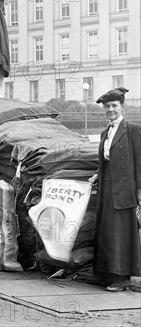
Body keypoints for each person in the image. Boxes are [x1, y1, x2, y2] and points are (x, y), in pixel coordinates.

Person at [88, 87, 141, 292]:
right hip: (107, 185)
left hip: (124, 188)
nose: (110, 109)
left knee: (121, 234)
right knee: (107, 233)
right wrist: (96, 175)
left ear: (122, 107)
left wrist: (139, 192)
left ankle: (122, 277)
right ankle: (107, 274)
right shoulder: (105, 132)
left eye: (114, 106)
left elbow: (139, 162)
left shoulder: (133, 130)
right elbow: (106, 161)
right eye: (107, 107)